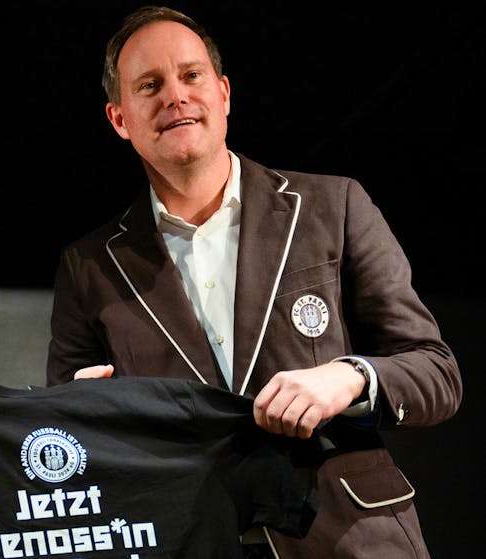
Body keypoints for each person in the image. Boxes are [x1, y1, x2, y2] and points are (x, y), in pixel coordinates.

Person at [45, 5, 462, 558]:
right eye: (150, 85)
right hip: (189, 538)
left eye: (191, 75)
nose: (175, 96)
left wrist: (349, 377)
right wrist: (80, 420)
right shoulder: (89, 265)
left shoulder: (332, 205)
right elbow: (59, 434)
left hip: (348, 537)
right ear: (119, 118)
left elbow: (437, 372)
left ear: (223, 94)